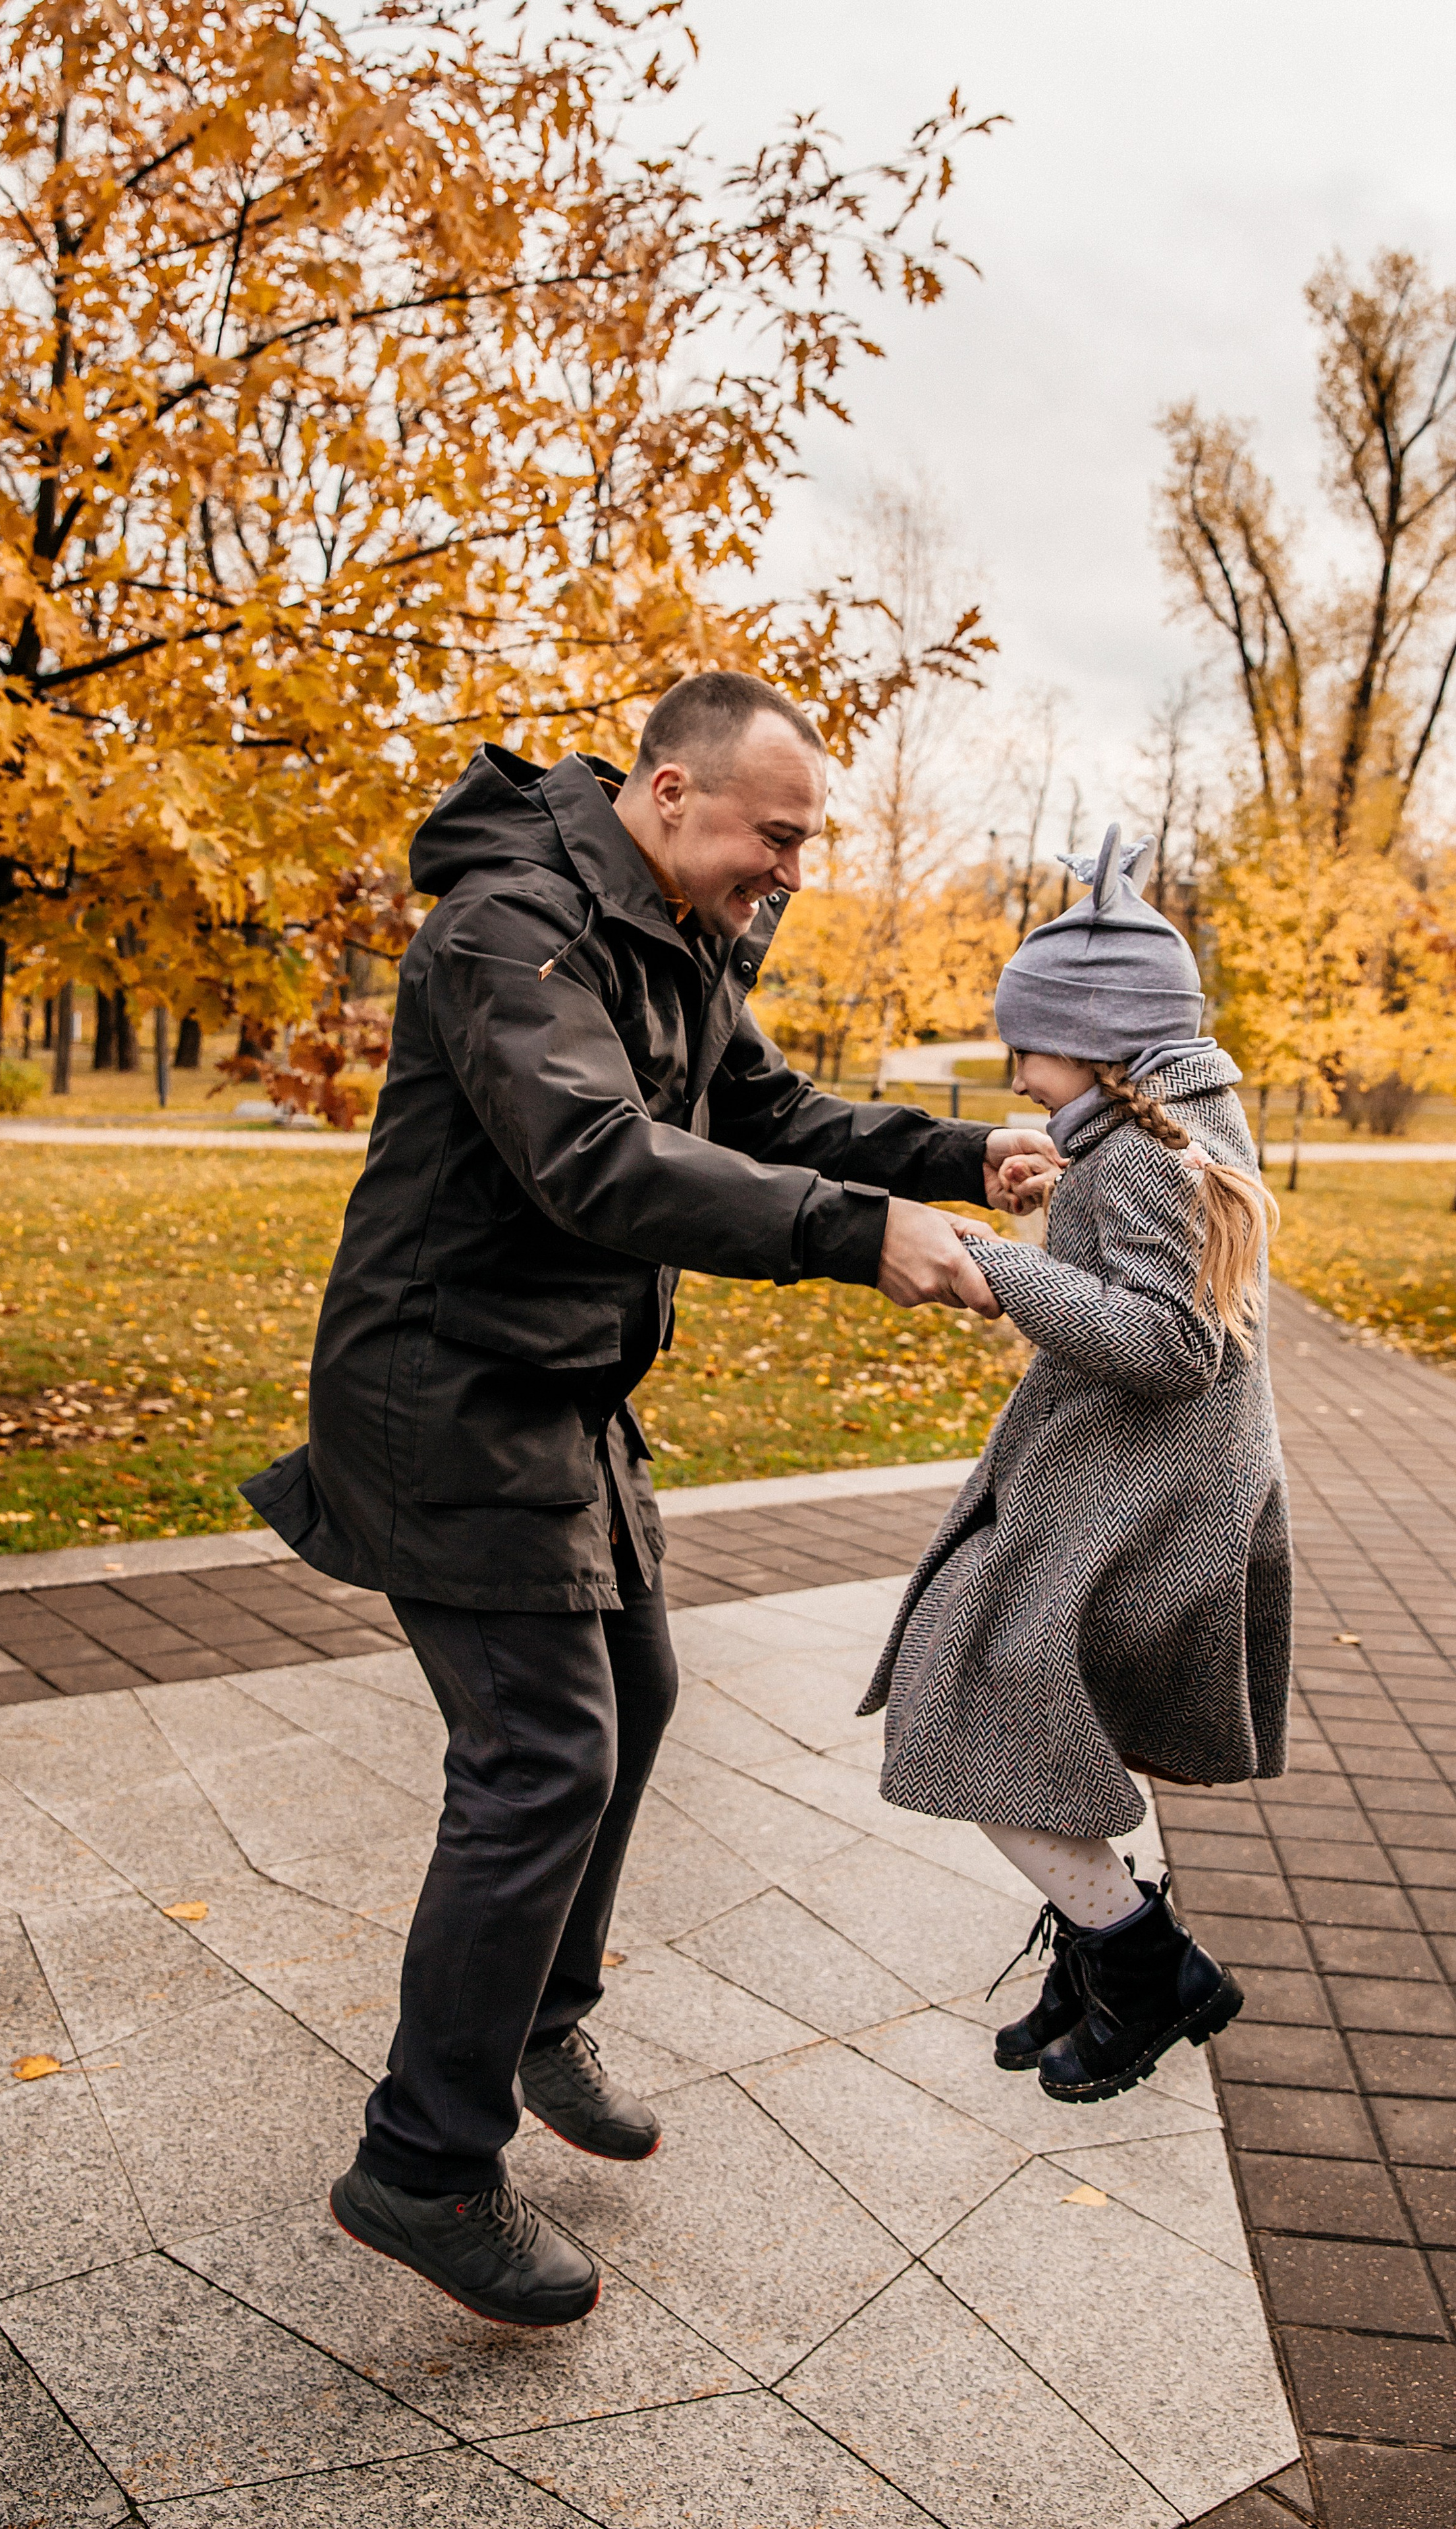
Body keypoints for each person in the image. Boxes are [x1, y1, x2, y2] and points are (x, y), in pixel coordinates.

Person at [243, 670, 1062, 2327]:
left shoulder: (672, 934)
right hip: (443, 1398)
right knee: (541, 1757)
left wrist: (948, 1156)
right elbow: (596, 1156)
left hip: (552, 1393)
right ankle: (421, 2162)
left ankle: (536, 2022)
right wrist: (854, 1233)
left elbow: (759, 1109)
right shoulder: (507, 930)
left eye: (804, 843)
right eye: (777, 835)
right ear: (669, 793)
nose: (790, 869)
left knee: (637, 1692)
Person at [859, 825, 1291, 2104]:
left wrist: (998, 1264)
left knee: (973, 1700)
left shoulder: (1154, 1154)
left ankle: (1143, 1963)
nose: (1014, 1067)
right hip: (1132, 1485)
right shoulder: (1148, 1128)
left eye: (1025, 1043)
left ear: (1099, 1040)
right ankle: (1102, 1961)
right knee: (1034, 1708)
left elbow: (1170, 1344)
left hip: (1145, 1498)